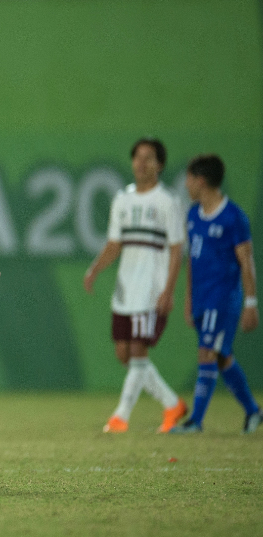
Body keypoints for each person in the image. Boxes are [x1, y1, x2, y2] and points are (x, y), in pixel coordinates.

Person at [83, 138, 187, 433]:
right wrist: (95, 269)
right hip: (125, 289)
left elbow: (177, 250)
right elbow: (115, 243)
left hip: (150, 290)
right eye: (137, 157)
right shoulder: (122, 199)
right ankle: (172, 404)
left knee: (139, 353)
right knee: (124, 354)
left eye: (149, 158)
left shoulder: (168, 202)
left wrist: (169, 290)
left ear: (160, 165)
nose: (142, 163)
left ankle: (121, 417)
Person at [171, 154, 260, 434]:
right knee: (222, 357)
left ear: (201, 180)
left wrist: (250, 302)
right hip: (201, 298)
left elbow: (246, 261)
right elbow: (192, 261)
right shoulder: (193, 215)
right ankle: (253, 411)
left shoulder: (234, 217)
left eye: (188, 178)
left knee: (207, 353)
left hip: (223, 299)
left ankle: (195, 421)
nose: (186, 185)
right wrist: (188, 300)